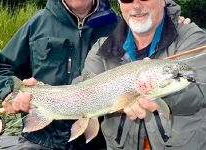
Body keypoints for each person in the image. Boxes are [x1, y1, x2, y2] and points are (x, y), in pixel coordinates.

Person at [76, 0, 206, 149]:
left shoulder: (192, 37)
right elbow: (81, 92)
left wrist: (154, 92)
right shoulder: (102, 47)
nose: (136, 6)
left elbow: (200, 92)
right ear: (120, 5)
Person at [0, 0, 118, 149]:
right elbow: (6, 68)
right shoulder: (38, 23)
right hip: (40, 139)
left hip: (98, 142)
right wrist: (10, 93)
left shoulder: (117, 25)